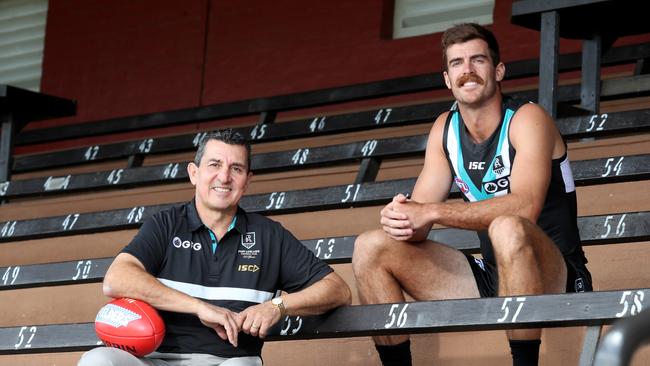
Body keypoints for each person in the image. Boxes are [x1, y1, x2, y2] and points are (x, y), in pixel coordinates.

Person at [352, 23, 591, 366]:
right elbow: (417, 226)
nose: (467, 70)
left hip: (557, 275)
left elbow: (524, 208)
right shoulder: (444, 130)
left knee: (508, 227)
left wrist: (432, 211)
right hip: (495, 275)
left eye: (477, 60)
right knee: (369, 247)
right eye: (457, 63)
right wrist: (400, 217)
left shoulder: (527, 119)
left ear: (498, 70)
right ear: (447, 79)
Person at [79, 128, 351, 366]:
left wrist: (277, 306)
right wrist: (200, 307)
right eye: (214, 164)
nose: (224, 177)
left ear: (247, 180)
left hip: (229, 361)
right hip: (152, 359)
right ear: (194, 173)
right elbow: (116, 279)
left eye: (236, 169)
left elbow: (337, 289)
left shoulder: (269, 235)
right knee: (98, 360)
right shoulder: (165, 225)